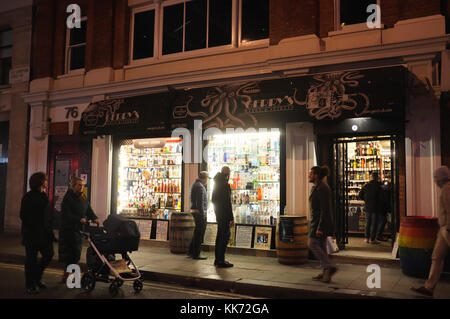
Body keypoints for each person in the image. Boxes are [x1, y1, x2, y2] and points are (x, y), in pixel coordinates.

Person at [412, 166, 450, 297]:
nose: (434, 181)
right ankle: (429, 287)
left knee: (437, 258)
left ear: (439, 179)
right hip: (444, 229)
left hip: (447, 228)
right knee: (436, 257)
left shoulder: (447, 189)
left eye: (435, 178)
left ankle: (429, 287)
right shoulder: (445, 189)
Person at [20, 172, 56, 294]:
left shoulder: (44, 196)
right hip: (32, 234)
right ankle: (30, 285)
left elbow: (47, 217)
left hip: (44, 234)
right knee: (31, 260)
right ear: (40, 182)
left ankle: (36, 278)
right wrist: (33, 226)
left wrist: (50, 232)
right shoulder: (28, 197)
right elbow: (23, 215)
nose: (47, 182)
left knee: (49, 254)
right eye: (45, 180)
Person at [59, 177, 100, 283]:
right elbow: (66, 214)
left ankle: (67, 275)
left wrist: (94, 217)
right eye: (79, 185)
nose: (82, 187)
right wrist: (79, 219)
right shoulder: (68, 198)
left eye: (82, 185)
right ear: (73, 186)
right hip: (69, 229)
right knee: (73, 253)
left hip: (78, 229)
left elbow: (88, 209)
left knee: (75, 253)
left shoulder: (82, 196)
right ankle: (72, 276)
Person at [309, 166, 337, 283]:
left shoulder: (323, 188)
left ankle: (329, 266)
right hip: (316, 222)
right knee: (321, 246)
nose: (309, 175)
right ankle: (326, 273)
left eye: (311, 173)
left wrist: (320, 227)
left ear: (316, 175)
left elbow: (324, 209)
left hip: (320, 223)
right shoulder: (316, 187)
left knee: (312, 244)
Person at [211, 166, 234, 268]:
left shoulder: (216, 183)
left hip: (219, 214)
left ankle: (218, 259)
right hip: (224, 215)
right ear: (227, 174)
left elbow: (213, 199)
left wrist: (217, 211)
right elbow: (227, 203)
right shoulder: (224, 185)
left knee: (220, 236)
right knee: (224, 237)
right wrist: (231, 218)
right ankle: (221, 260)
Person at [188, 171, 209, 260]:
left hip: (195, 211)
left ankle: (191, 251)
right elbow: (199, 202)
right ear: (205, 178)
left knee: (197, 232)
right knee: (200, 233)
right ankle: (196, 253)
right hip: (199, 212)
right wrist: (203, 214)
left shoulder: (195, 184)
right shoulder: (200, 186)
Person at [359, 172, 383, 244]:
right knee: (374, 224)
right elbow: (382, 197)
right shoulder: (379, 185)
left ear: (371, 177)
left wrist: (366, 200)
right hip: (376, 207)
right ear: (377, 177)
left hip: (367, 207)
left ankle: (366, 238)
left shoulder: (366, 186)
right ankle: (372, 239)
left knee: (367, 223)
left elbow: (360, 195)